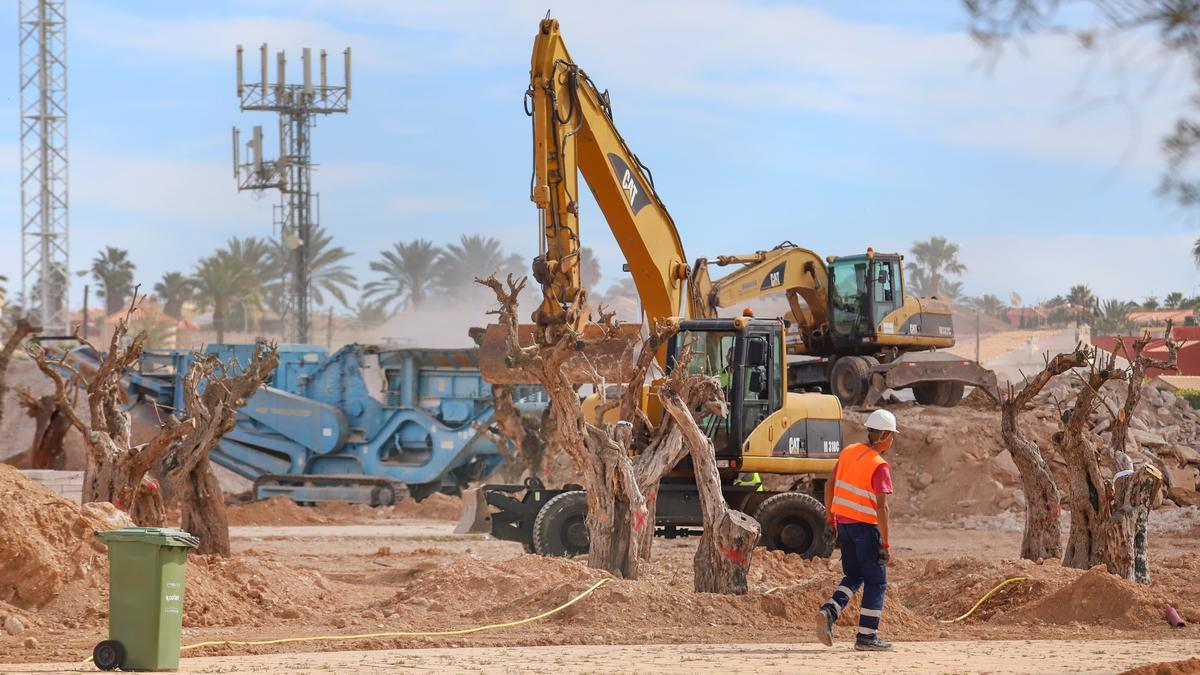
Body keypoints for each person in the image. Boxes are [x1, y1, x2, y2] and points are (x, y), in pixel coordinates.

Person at [814, 409, 897, 652]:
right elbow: (882, 508)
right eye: (891, 436)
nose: (892, 441)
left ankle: (830, 610)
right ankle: (867, 636)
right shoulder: (879, 465)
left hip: (845, 527)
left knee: (854, 575)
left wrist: (831, 518)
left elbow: (829, 484)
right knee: (877, 582)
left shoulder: (849, 452)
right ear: (884, 436)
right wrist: (885, 543)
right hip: (866, 529)